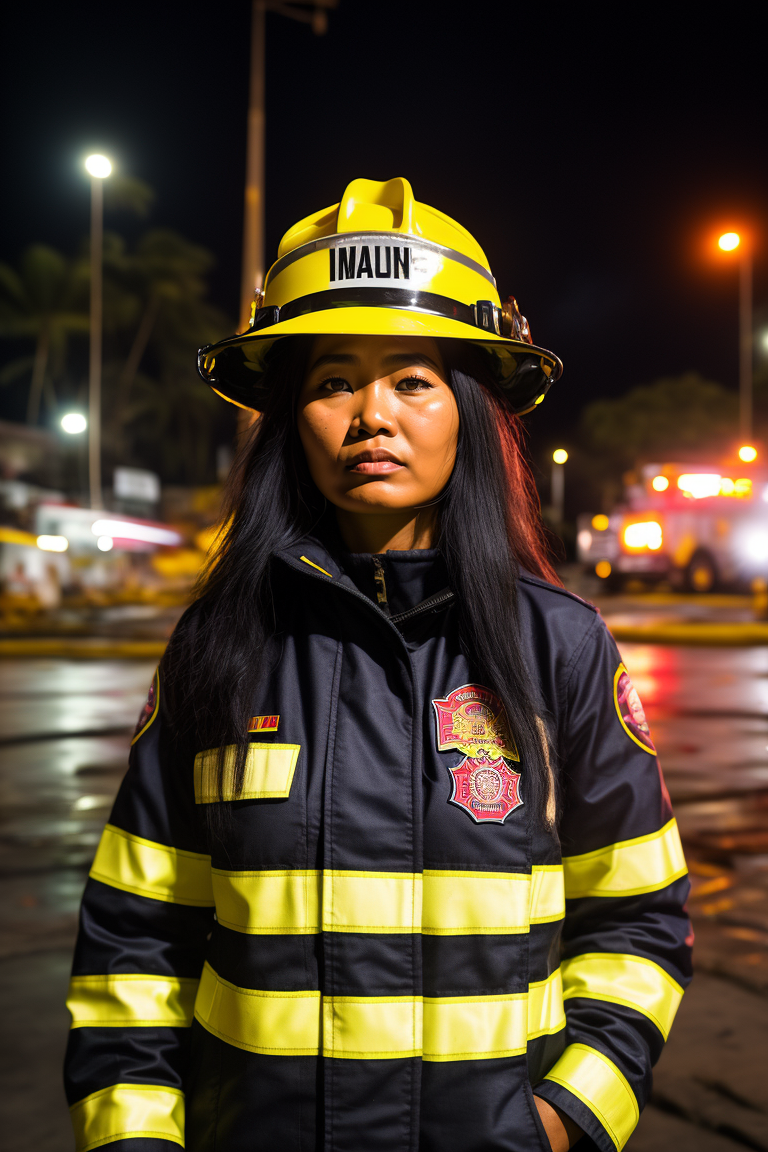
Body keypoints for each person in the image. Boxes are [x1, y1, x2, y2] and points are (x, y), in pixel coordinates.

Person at [64, 178, 692, 1152]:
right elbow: (134, 946)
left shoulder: (562, 648)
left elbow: (640, 923)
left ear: (470, 411)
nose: (370, 417)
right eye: (330, 382)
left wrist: (561, 1123)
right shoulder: (217, 644)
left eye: (411, 378)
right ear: (290, 422)